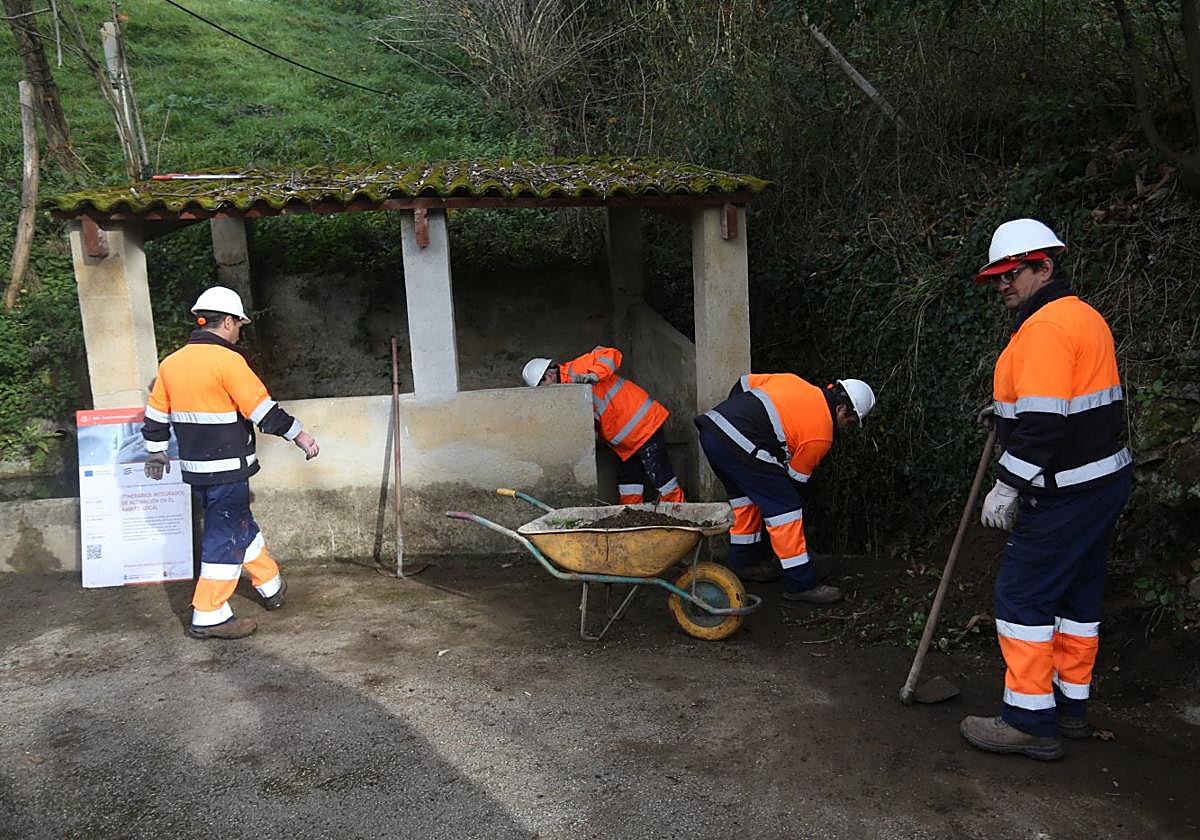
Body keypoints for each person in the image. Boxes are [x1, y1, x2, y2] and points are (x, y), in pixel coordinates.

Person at [961, 219, 1132, 761]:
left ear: (1044, 268)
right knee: (1078, 598)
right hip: (1102, 483)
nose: (1004, 286)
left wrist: (1007, 486)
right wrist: (1005, 414)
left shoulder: (1043, 329)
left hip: (1063, 491)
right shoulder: (1081, 317)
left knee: (1022, 595)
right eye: (997, 278)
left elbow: (1044, 425)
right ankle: (1069, 705)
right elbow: (1062, 401)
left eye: (1013, 274)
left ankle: (1028, 719)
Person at [142, 286, 320, 641]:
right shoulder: (228, 361)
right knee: (223, 537)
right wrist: (299, 435)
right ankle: (209, 614)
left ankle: (270, 584)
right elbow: (262, 411)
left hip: (197, 470)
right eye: (238, 324)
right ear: (226, 322)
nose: (239, 330)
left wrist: (156, 451)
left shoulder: (171, 363)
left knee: (238, 522)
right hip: (228, 468)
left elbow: (155, 415)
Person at [694, 374, 875, 604]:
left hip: (713, 430)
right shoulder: (821, 435)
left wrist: (737, 418)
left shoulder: (796, 382)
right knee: (786, 508)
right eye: (850, 422)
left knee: (745, 499)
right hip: (740, 440)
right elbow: (794, 482)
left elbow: (742, 383)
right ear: (841, 409)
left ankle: (744, 563)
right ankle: (800, 583)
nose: (847, 428)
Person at [522, 348, 685, 505]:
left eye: (542, 386)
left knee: (662, 479)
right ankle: (631, 520)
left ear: (549, 374)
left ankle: (680, 513)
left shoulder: (577, 368)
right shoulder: (564, 395)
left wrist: (594, 375)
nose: (544, 392)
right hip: (625, 442)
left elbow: (611, 353)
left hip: (644, 425)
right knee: (629, 485)